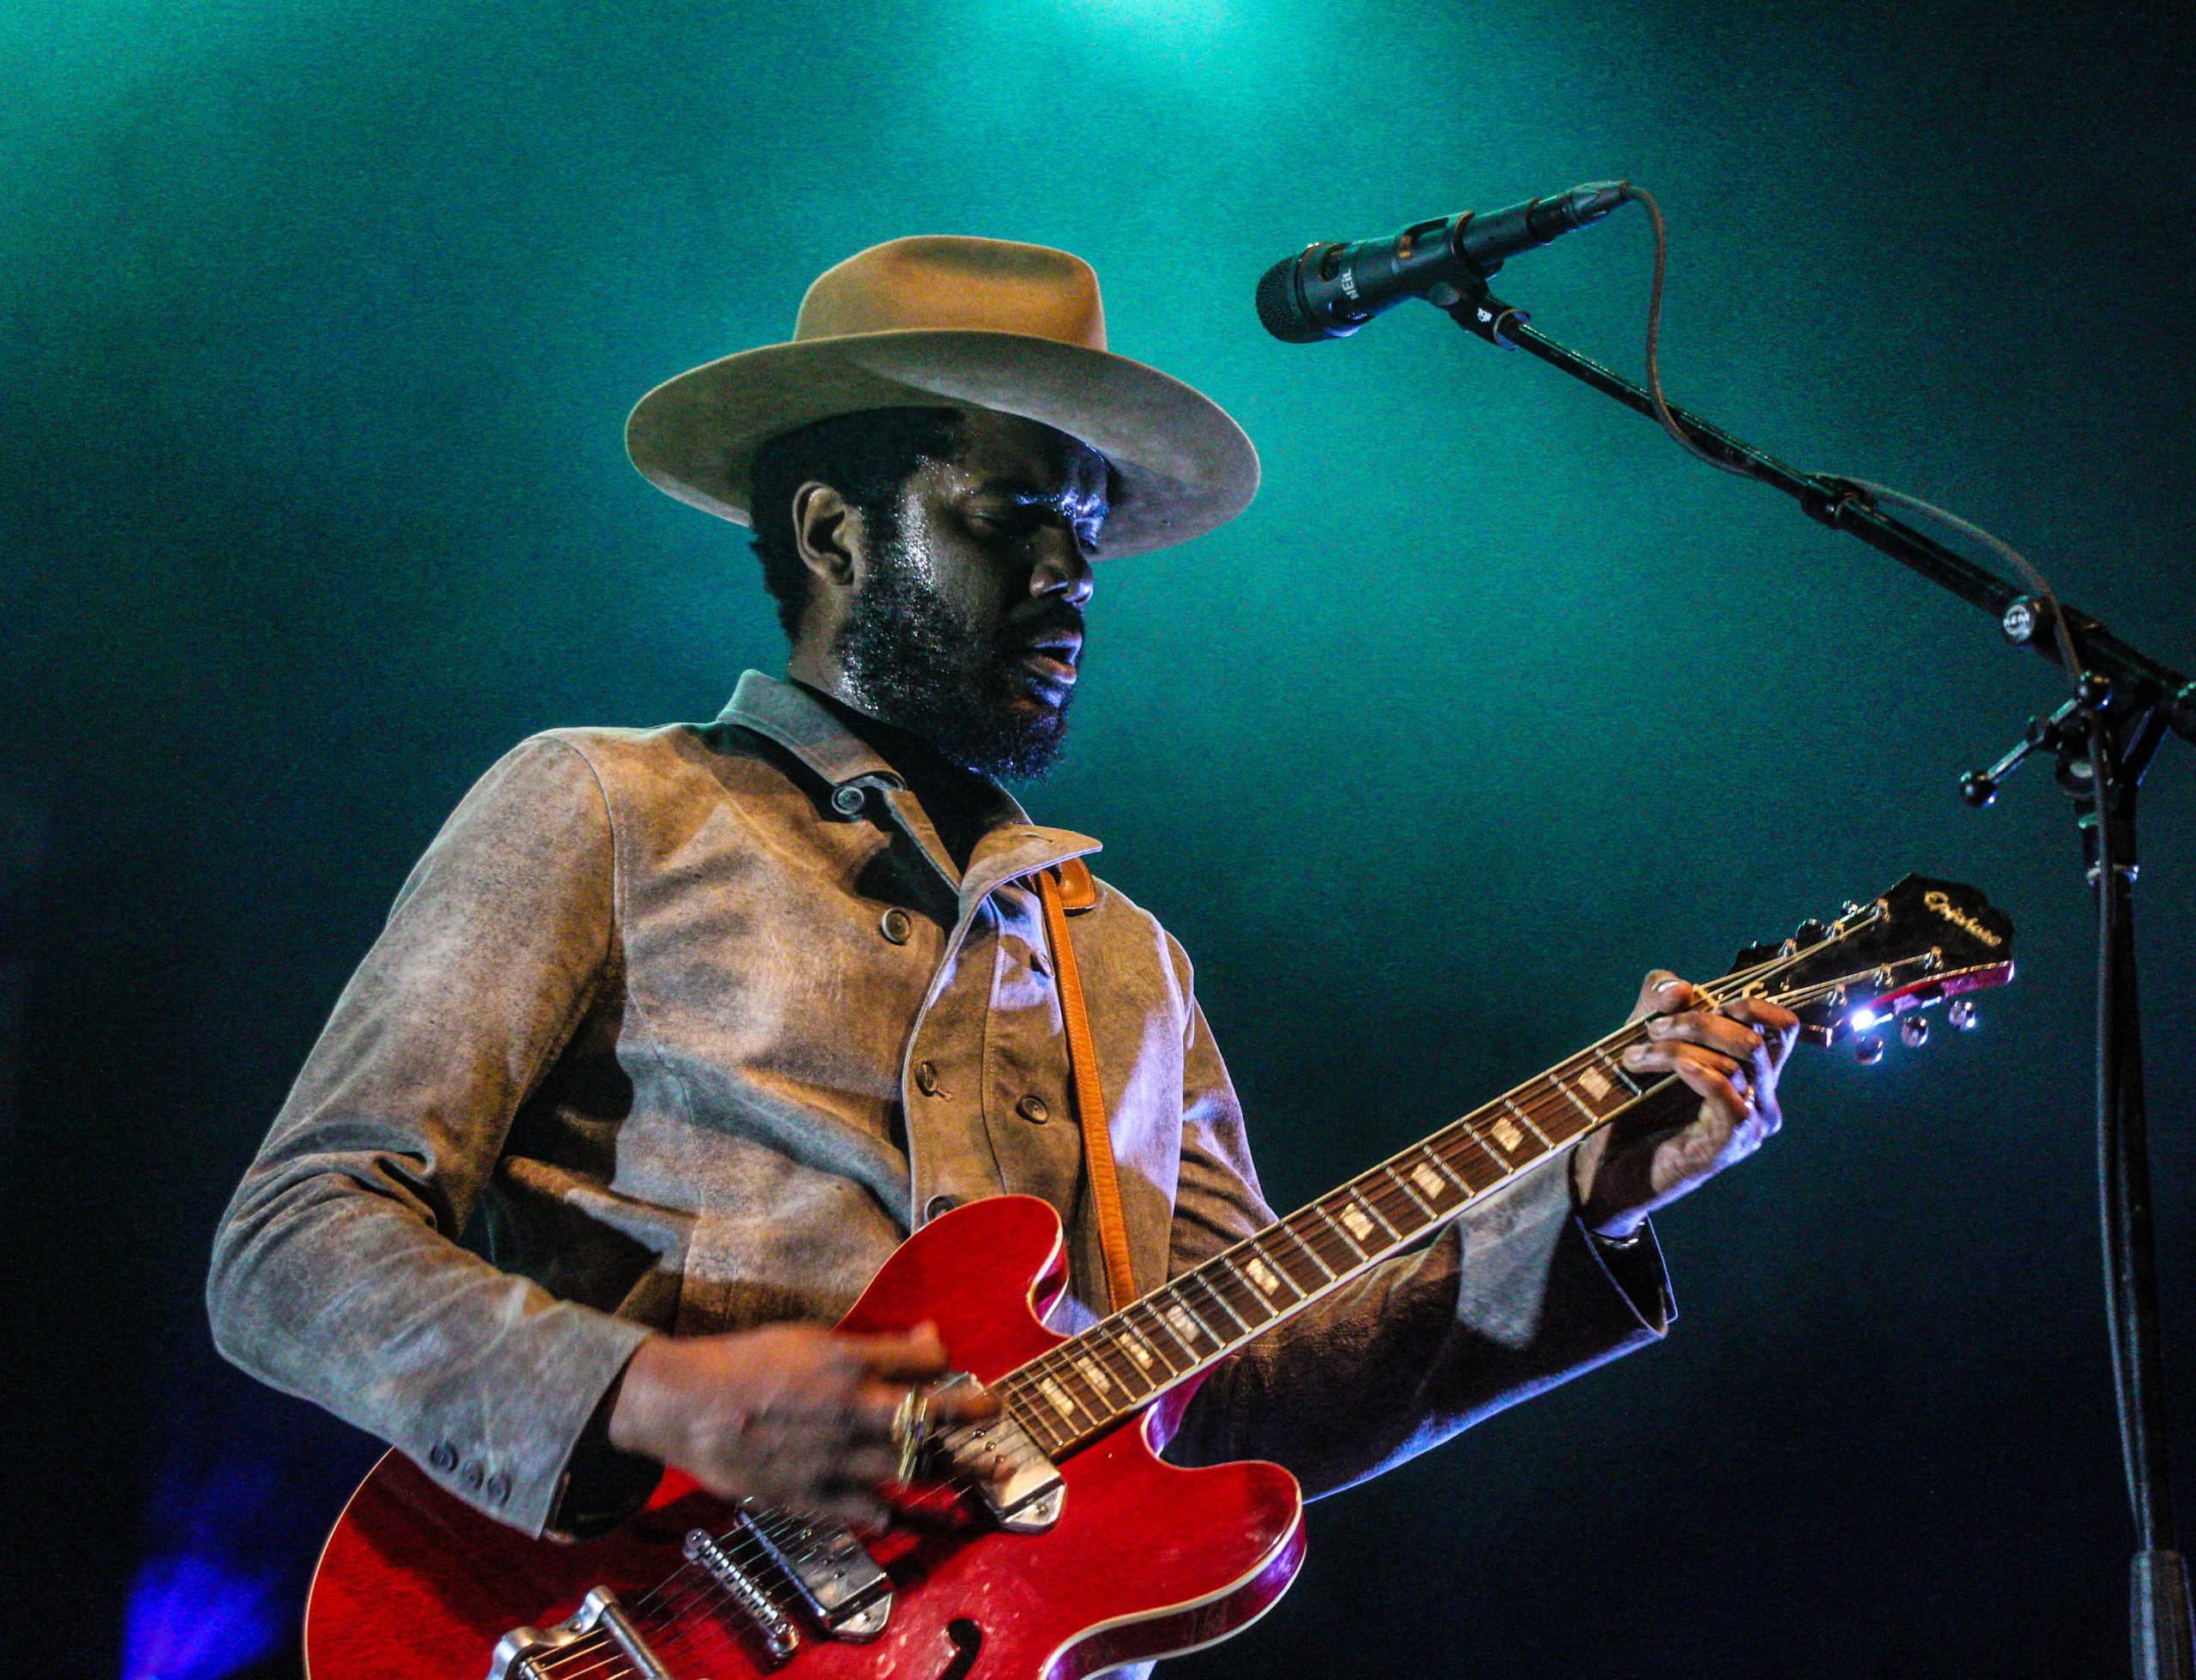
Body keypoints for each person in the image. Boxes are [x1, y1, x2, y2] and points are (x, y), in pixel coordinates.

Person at [208, 237, 1797, 1561]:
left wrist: (1586, 1192)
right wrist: (652, 1394)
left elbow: (1235, 1402)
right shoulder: (609, 804)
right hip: (626, 1621)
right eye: (1015, 514)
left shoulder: (1132, 966)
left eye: (1092, 528)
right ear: (834, 532)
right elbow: (289, 1247)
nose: (1073, 572)